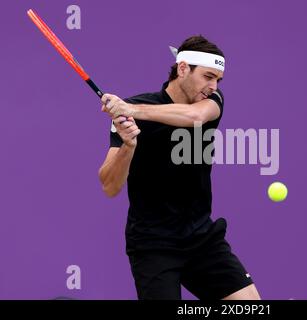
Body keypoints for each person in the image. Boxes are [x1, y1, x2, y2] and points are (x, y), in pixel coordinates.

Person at [98, 35, 261, 300]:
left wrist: (132, 110)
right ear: (183, 68)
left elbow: (195, 117)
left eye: (218, 79)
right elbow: (109, 186)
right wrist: (128, 145)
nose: (214, 86)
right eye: (208, 76)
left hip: (201, 236)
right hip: (153, 243)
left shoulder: (209, 103)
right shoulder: (130, 115)